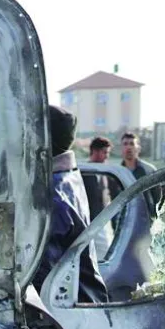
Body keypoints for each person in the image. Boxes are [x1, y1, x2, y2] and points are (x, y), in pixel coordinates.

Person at [33, 105, 108, 302]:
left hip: (75, 318)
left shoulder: (52, 197)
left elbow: (42, 278)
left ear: (41, 139)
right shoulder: (64, 177)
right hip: (86, 305)